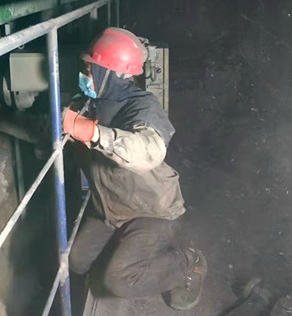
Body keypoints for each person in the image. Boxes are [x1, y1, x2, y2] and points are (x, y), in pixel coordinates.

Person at [63, 27, 207, 311]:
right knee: (76, 260)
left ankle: (189, 262)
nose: (85, 74)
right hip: (113, 210)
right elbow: (47, 129)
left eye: (90, 68)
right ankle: (124, 259)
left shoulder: (141, 106)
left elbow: (149, 150)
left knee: (120, 280)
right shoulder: (90, 104)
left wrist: (93, 133)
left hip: (151, 210)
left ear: (109, 72)